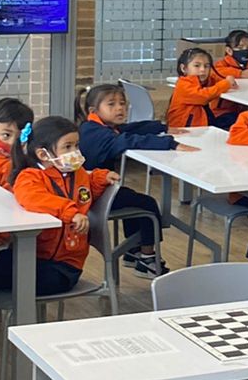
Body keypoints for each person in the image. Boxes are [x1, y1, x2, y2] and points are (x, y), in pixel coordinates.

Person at [0, 116, 106, 313]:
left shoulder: (77, 174)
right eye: (68, 147)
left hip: (63, 269)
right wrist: (70, 212)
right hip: (30, 256)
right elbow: (33, 197)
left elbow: (85, 193)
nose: (75, 153)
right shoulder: (30, 177)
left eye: (76, 146)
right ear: (43, 154)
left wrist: (99, 179)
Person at [78, 83, 192, 277]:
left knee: (131, 197)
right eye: (111, 104)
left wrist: (163, 127)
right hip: (92, 195)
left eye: (122, 103)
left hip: (93, 189)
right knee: (147, 205)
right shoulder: (99, 134)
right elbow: (128, 140)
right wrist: (170, 144)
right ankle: (148, 258)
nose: (120, 108)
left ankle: (133, 252)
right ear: (93, 110)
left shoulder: (95, 126)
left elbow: (130, 129)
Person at [168, 47, 235, 130]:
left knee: (234, 116)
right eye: (197, 65)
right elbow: (203, 96)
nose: (203, 69)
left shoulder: (202, 81)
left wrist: (225, 81)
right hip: (186, 130)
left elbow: (214, 79)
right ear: (184, 68)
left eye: (207, 66)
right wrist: (226, 83)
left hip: (203, 123)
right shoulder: (183, 84)